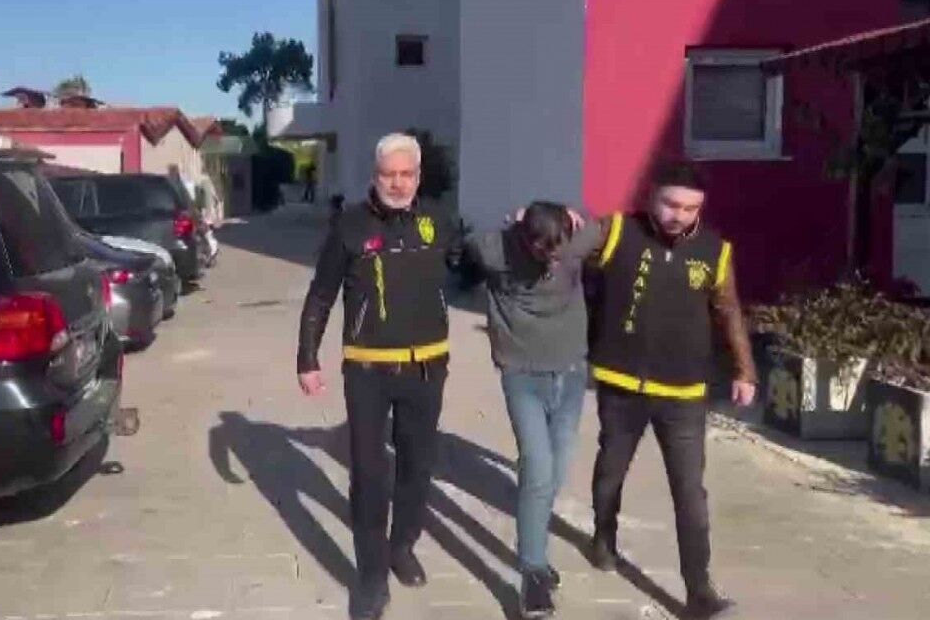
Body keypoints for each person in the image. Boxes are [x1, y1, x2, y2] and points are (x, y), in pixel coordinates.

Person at [296, 132, 461, 620]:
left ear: (418, 177)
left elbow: (477, 262)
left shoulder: (438, 221)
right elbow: (321, 294)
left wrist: (537, 229)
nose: (398, 183)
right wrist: (307, 357)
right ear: (375, 176)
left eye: (406, 174)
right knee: (369, 476)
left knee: (417, 466)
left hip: (427, 367)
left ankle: (402, 546)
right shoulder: (350, 226)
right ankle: (371, 577)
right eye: (389, 174)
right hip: (367, 370)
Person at [585, 161, 757, 620]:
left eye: (690, 208)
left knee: (690, 492)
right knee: (610, 472)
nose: (679, 215)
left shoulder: (715, 251)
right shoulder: (617, 232)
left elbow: (729, 311)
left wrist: (744, 371)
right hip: (622, 384)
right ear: (651, 197)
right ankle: (604, 535)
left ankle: (699, 589)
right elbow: (565, 247)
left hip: (683, 391)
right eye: (670, 204)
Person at [466, 201, 602, 618]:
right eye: (543, 250)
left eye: (559, 249)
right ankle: (533, 573)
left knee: (554, 473)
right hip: (522, 375)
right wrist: (513, 219)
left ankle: (533, 532)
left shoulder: (575, 240)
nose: (553, 258)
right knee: (539, 470)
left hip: (571, 373)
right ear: (524, 238)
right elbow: (471, 245)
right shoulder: (497, 249)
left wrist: (576, 212)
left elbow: (602, 227)